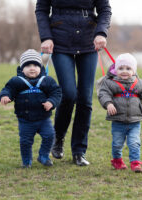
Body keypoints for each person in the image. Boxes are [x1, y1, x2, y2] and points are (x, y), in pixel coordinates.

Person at [35, 0, 112, 166]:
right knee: (68, 94)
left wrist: (101, 33)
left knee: (85, 98)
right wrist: (46, 37)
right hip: (60, 42)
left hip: (88, 42)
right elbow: (41, 9)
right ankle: (58, 137)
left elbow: (105, 9)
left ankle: (79, 151)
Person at [0, 49, 62, 168]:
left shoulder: (47, 80)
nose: (32, 68)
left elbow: (56, 93)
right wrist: (5, 96)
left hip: (44, 119)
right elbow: (7, 89)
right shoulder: (16, 81)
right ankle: (26, 161)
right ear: (22, 68)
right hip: (25, 120)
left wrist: (51, 102)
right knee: (25, 141)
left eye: (35, 65)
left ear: (40, 67)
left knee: (49, 136)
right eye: (28, 65)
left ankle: (43, 156)